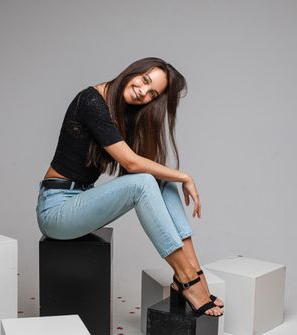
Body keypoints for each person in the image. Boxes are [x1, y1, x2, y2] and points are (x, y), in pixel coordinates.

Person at [35, 57, 224, 317]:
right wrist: (186, 176)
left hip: (81, 200)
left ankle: (194, 272)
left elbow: (141, 165)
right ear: (134, 70)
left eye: (151, 94)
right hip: (56, 211)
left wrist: (173, 177)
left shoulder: (123, 111)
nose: (142, 93)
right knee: (147, 179)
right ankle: (187, 277)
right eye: (144, 81)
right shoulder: (91, 101)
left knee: (161, 180)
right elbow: (131, 164)